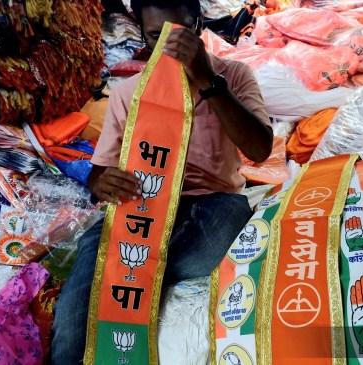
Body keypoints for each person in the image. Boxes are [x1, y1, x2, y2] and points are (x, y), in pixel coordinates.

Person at [50, 0, 273, 363]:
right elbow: (100, 170)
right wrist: (101, 183)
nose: (167, 46)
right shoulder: (128, 92)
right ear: (142, 34)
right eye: (156, 37)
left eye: (178, 35)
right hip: (142, 205)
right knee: (80, 302)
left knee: (210, 247)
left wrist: (207, 81)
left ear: (199, 25)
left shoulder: (233, 76)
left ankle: (141, 275)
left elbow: (260, 149)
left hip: (214, 200)